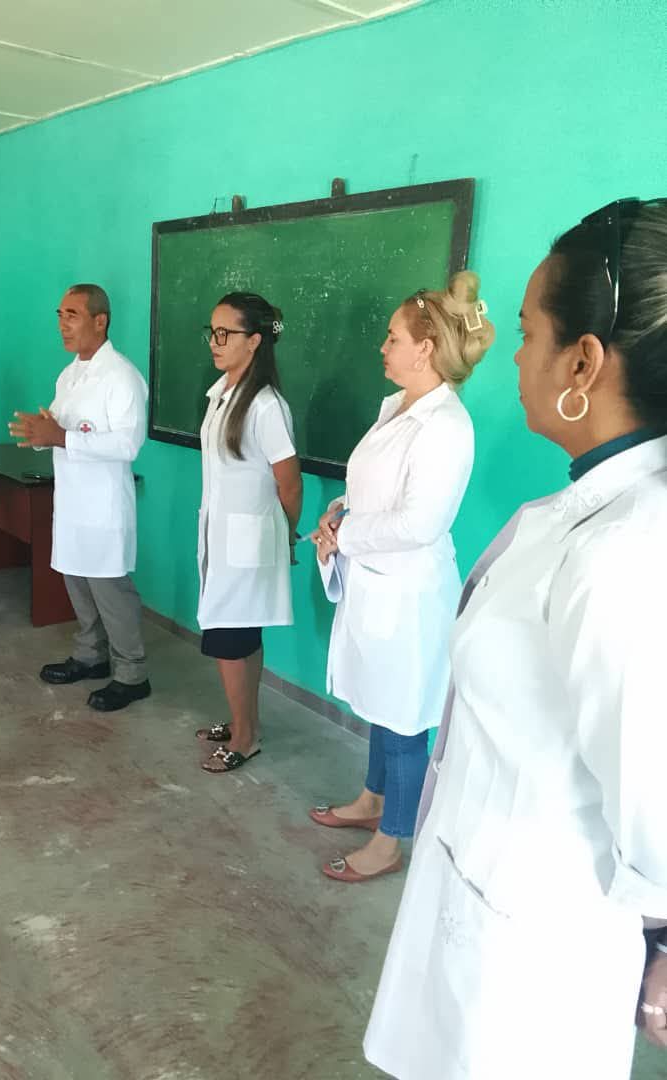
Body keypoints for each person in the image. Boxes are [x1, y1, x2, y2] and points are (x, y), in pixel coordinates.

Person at [364, 199, 667, 1080]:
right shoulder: (580, 512)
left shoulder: (628, 547)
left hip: (538, 938)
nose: (515, 359)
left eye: (530, 334)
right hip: (487, 887)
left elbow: (651, 781)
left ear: (584, 360)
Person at [308, 272, 494, 882]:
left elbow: (419, 522)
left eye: (391, 338)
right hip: (375, 580)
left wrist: (348, 535)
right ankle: (372, 799)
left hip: (408, 592)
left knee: (406, 718)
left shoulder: (445, 426)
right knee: (381, 702)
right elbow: (375, 489)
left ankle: (390, 842)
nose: (382, 347)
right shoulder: (398, 408)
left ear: (425, 348)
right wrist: (340, 511)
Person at [9, 284, 150, 713]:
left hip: (104, 506)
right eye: (59, 314)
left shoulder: (122, 376)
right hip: (71, 503)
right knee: (77, 581)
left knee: (110, 590)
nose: (62, 324)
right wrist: (41, 433)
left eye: (72, 314)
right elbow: (60, 428)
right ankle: (91, 655)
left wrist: (62, 436)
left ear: (100, 321)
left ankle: (132, 674)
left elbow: (128, 444)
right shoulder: (70, 374)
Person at [196, 292, 302, 773]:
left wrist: (285, 536)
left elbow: (289, 481)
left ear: (254, 341)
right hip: (224, 538)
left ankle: (245, 737)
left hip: (248, 542)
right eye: (212, 333)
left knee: (229, 639)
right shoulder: (223, 393)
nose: (215, 343)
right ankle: (245, 722)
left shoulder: (265, 406)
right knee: (240, 637)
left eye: (226, 334)